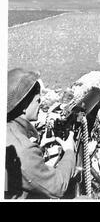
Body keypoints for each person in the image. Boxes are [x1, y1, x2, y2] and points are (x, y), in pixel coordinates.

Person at [5, 68, 76, 199]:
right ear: (25, 106)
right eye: (38, 100)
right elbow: (57, 187)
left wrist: (38, 149)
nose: (41, 103)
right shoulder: (24, 150)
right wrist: (69, 151)